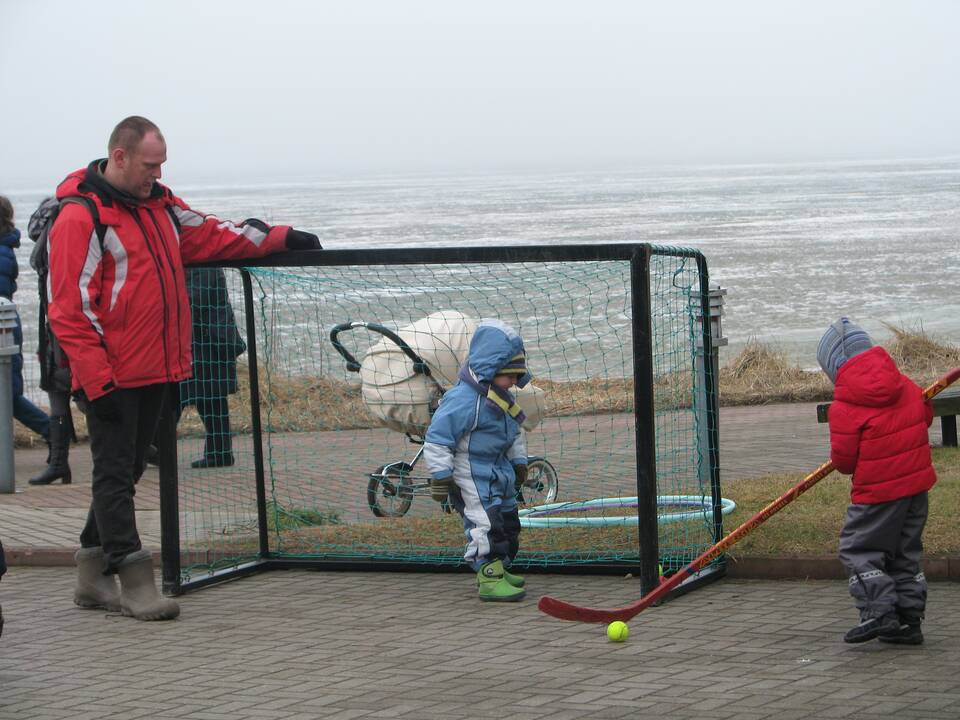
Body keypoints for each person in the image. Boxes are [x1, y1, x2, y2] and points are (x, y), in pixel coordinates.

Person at [47, 116, 321, 621]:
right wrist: (96, 381)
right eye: (150, 165)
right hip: (111, 375)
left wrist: (282, 237)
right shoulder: (82, 217)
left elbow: (218, 235)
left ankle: (90, 577)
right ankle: (134, 580)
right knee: (113, 474)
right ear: (121, 156)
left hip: (158, 369)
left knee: (127, 469)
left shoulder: (162, 209)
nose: (156, 173)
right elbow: (69, 309)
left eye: (161, 164)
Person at [817, 317, 936, 645]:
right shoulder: (905, 384)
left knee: (859, 549)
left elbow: (843, 462)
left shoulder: (844, 406)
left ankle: (879, 611)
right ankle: (909, 620)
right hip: (915, 490)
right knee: (904, 553)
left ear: (834, 367)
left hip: (877, 494)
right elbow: (925, 417)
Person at [423, 319, 531, 602]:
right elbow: (437, 438)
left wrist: (519, 462)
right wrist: (441, 475)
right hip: (470, 473)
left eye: (517, 376)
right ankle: (489, 575)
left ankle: (501, 566)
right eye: (509, 375)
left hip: (498, 471)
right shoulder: (463, 400)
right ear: (490, 370)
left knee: (508, 520)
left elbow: (513, 434)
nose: (514, 382)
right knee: (486, 523)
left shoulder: (500, 398)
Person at [26, 196, 76, 486]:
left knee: (77, 396)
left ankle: (59, 462)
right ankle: (58, 463)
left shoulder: (55, 242)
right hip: (54, 326)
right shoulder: (51, 244)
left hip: (63, 327)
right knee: (61, 393)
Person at [0, 197, 53, 455]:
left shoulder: (2, 253)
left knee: (8, 394)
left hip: (3, 326)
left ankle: (53, 431)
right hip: (6, 323)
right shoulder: (5, 248)